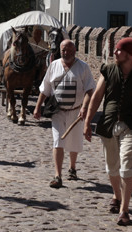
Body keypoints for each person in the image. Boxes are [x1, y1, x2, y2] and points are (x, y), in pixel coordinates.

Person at [83, 37, 132, 226]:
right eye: (116, 49)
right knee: (112, 167)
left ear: (130, 54)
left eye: (119, 50)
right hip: (108, 124)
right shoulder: (108, 71)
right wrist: (87, 122)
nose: (115, 53)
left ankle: (124, 210)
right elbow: (97, 96)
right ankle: (117, 195)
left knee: (127, 167)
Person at [33, 39, 95, 187]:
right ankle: (57, 175)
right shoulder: (54, 66)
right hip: (58, 112)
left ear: (74, 51)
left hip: (76, 112)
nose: (66, 53)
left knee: (74, 141)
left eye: (69, 50)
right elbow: (45, 88)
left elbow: (89, 89)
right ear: (60, 51)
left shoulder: (83, 67)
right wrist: (37, 107)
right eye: (63, 50)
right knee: (58, 141)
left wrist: (84, 107)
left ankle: (72, 168)